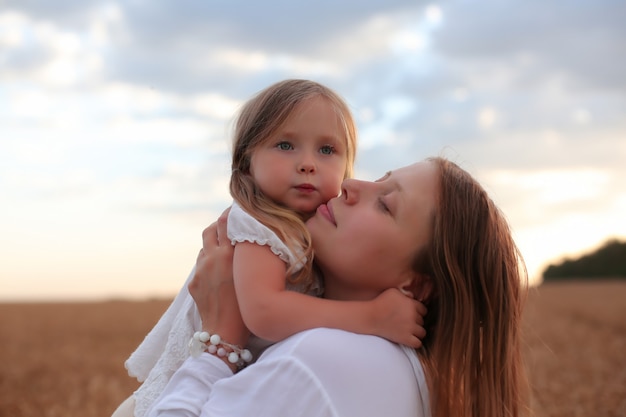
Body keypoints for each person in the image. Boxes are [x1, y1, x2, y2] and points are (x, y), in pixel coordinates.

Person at [113, 79, 423, 417]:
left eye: (327, 150)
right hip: (168, 400)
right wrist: (372, 317)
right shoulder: (258, 224)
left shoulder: (308, 229)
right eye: (286, 145)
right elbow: (264, 312)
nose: (307, 163)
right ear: (247, 161)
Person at [147, 157, 529, 417]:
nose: (349, 184)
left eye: (385, 205)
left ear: (416, 284)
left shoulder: (317, 361)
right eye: (379, 179)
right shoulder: (413, 377)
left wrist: (219, 343)